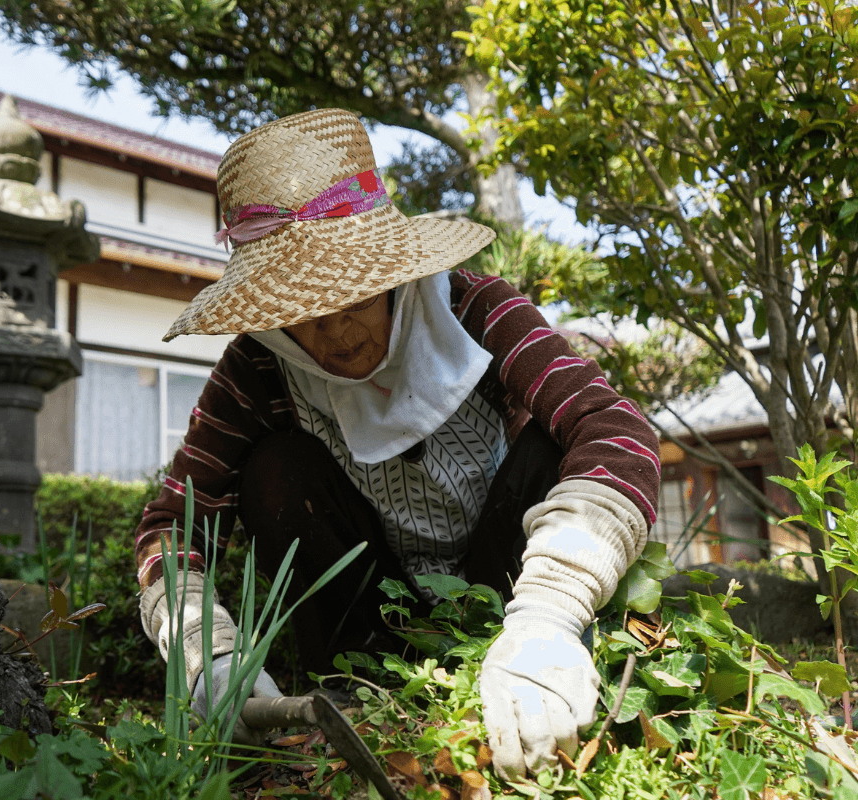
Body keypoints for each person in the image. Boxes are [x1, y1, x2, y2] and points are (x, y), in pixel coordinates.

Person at [134, 108, 659, 780]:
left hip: (511, 584)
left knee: (554, 451)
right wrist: (204, 649)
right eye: (301, 314)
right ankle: (351, 686)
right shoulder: (259, 367)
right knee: (275, 469)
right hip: (366, 608)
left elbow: (617, 431)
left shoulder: (475, 310)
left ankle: (532, 653)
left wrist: (552, 610)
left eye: (353, 296)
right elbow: (172, 521)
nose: (335, 333)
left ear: (389, 273)